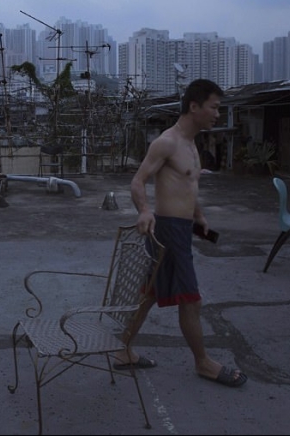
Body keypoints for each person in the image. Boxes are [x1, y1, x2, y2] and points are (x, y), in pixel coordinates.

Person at [113, 78, 248, 387]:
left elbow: (188, 188)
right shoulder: (167, 142)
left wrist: (198, 217)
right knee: (191, 300)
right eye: (214, 108)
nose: (218, 114)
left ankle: (122, 351)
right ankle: (203, 363)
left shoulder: (191, 144)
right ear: (194, 106)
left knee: (148, 295)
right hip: (168, 232)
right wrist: (144, 211)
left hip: (182, 229)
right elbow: (137, 181)